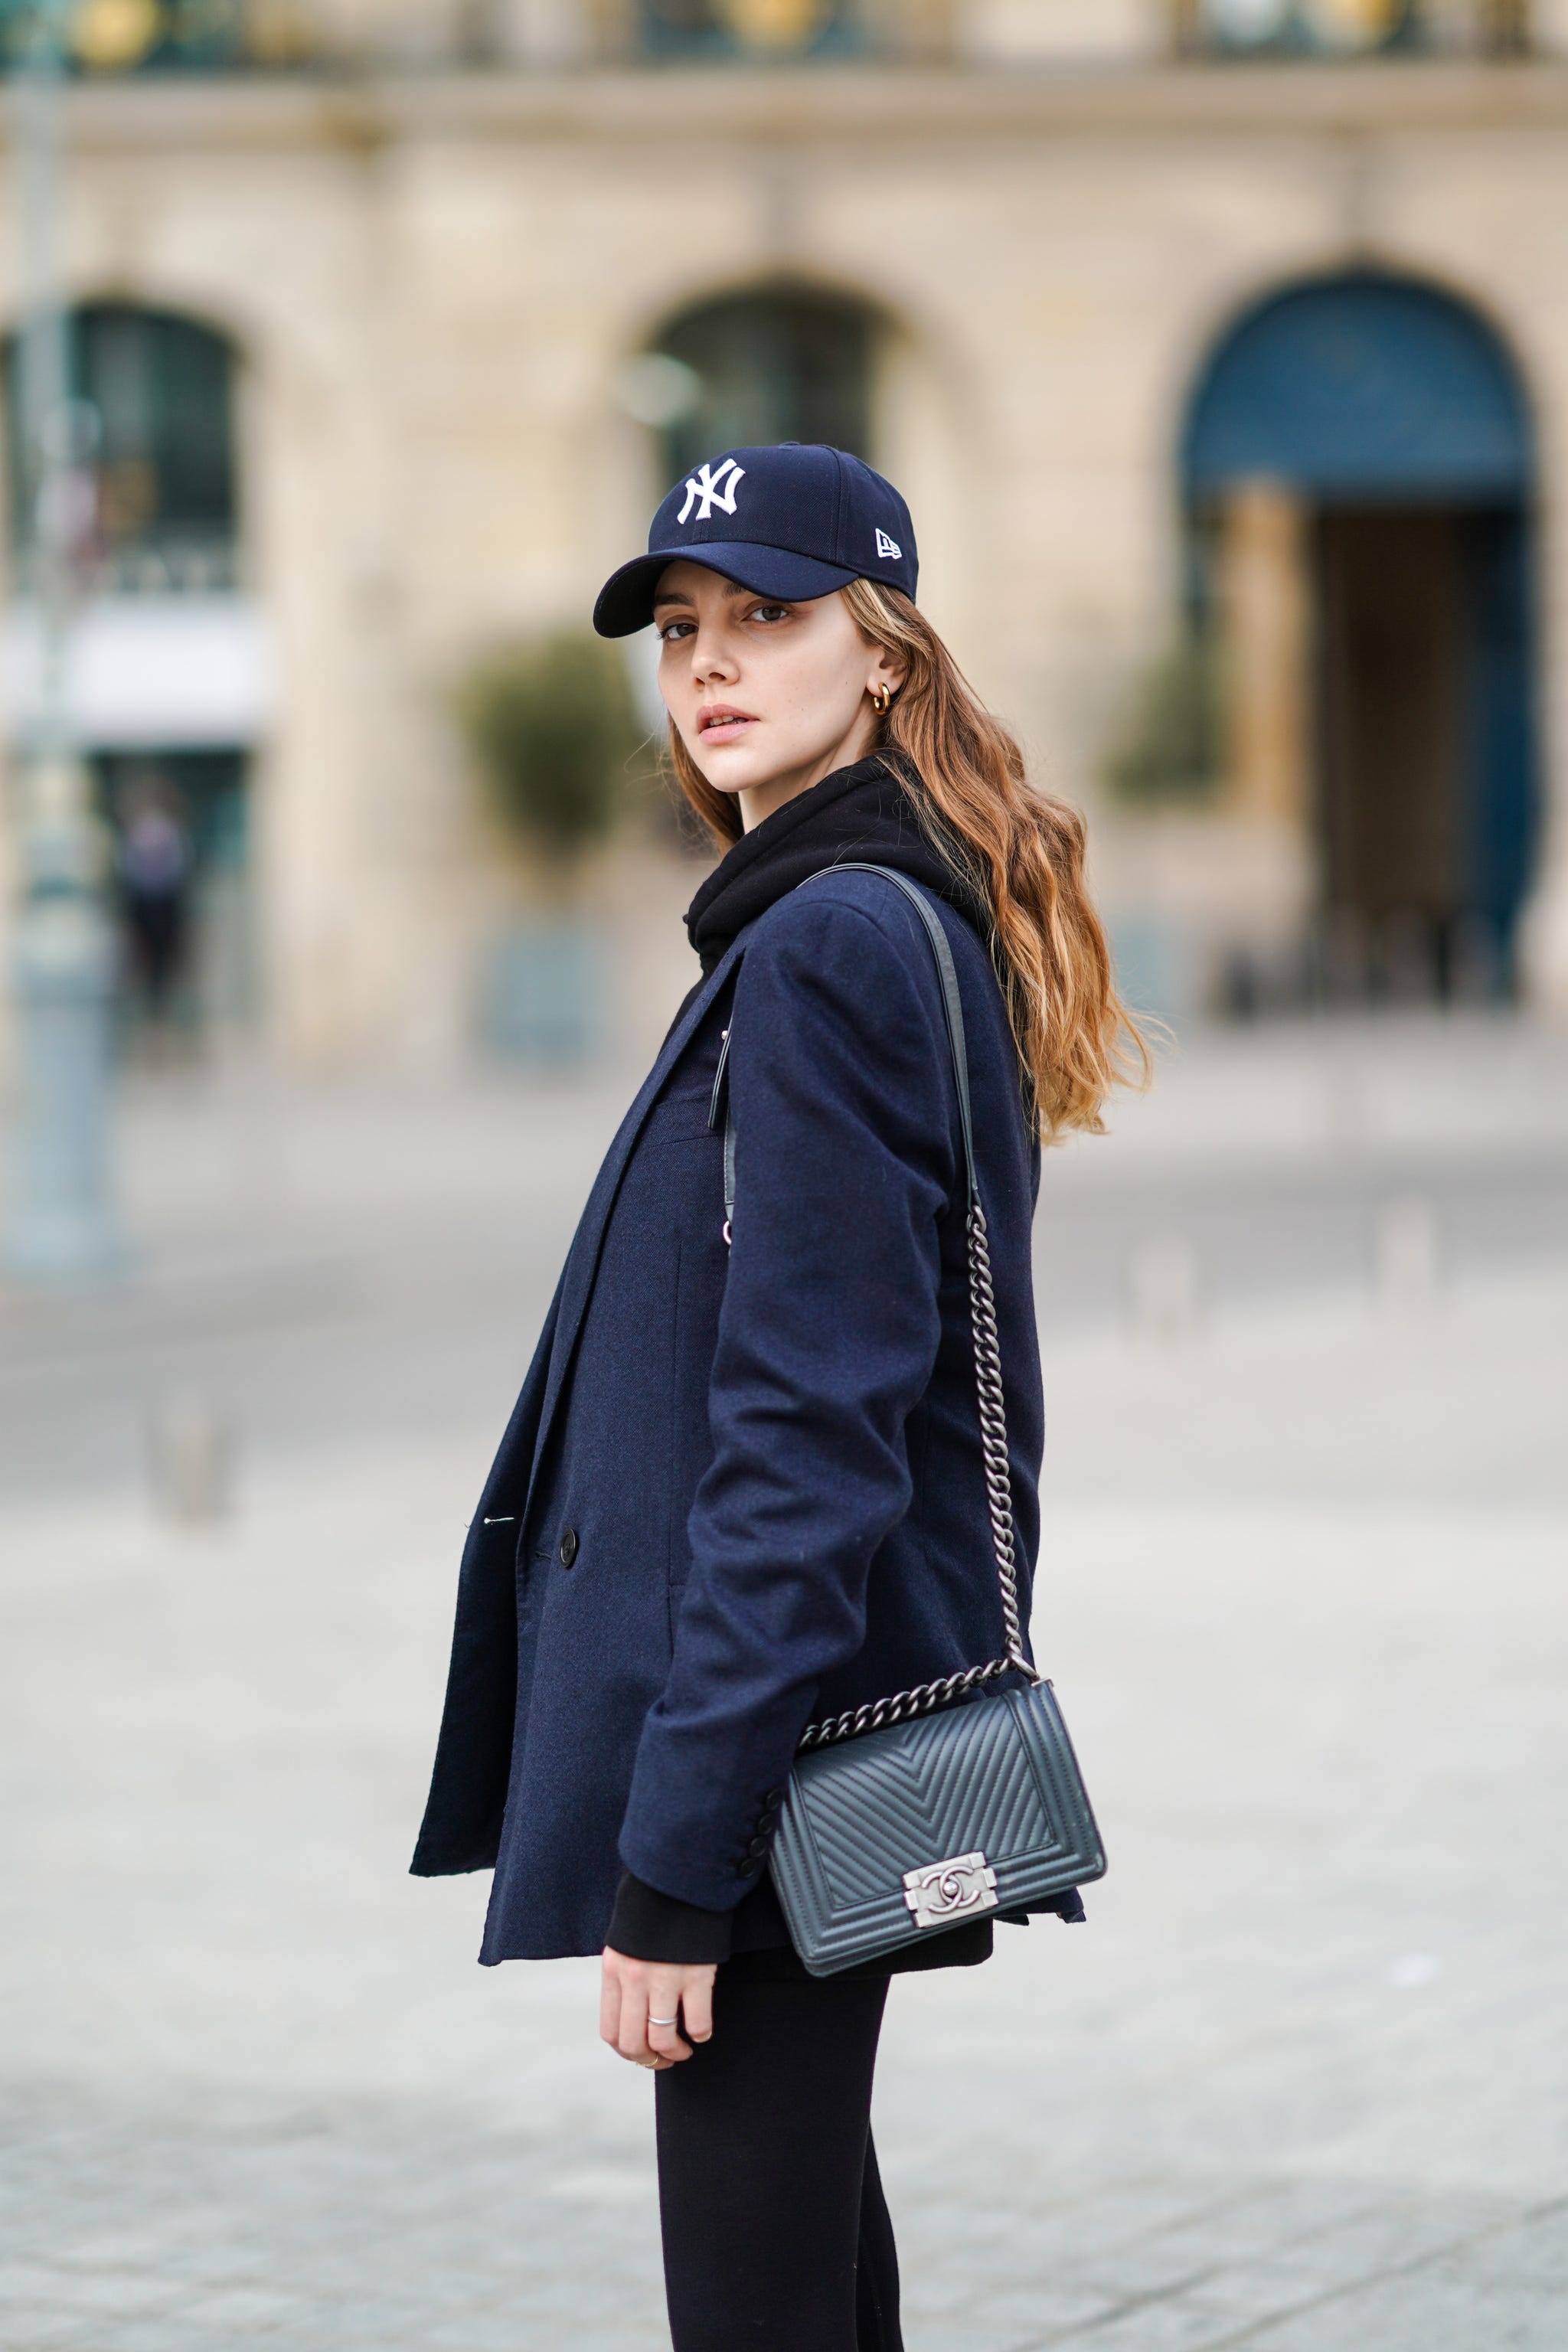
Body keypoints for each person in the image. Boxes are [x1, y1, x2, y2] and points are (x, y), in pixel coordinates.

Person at [412, 443, 1146, 2350]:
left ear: (883, 651)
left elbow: (808, 1438)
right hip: (795, 1738)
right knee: (814, 2277)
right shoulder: (855, 913)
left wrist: (677, 1865)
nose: (711, 666)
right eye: (680, 631)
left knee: (758, 2306)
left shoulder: (824, 943)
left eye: (769, 617)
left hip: (763, 1759)